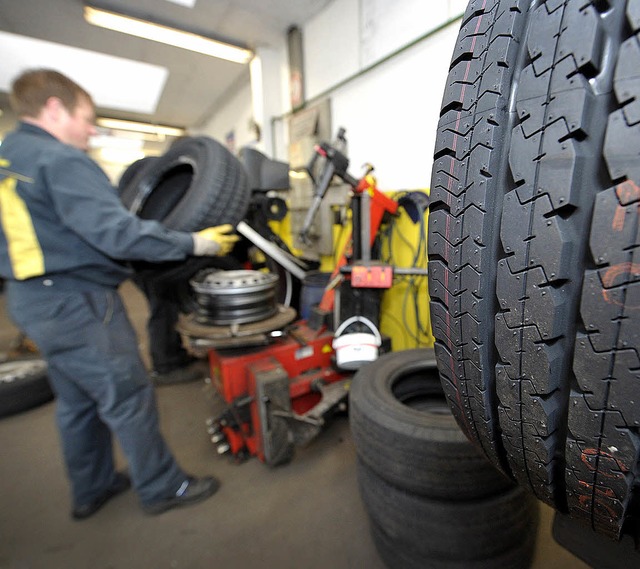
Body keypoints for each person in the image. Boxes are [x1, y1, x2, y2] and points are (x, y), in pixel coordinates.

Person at [0, 68, 240, 519]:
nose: (92, 130)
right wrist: (195, 242)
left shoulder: (8, 155)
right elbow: (117, 233)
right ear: (54, 109)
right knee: (127, 395)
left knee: (76, 401)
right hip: (77, 301)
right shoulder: (60, 160)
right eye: (87, 118)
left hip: (32, 301)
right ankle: (163, 487)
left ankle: (92, 487)